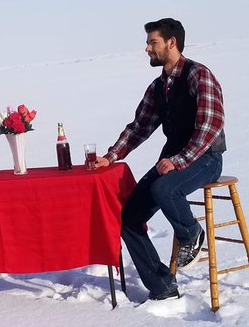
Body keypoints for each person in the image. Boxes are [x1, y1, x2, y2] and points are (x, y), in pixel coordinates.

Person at [93, 18, 226, 300]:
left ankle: (191, 234)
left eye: (152, 43)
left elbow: (210, 126)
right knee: (129, 217)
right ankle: (162, 287)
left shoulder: (199, 75)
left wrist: (179, 160)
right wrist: (111, 156)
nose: (147, 49)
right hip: (173, 162)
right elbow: (139, 127)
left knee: (163, 188)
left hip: (206, 158)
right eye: (147, 43)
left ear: (171, 43)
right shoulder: (158, 86)